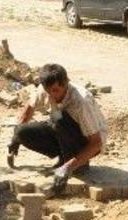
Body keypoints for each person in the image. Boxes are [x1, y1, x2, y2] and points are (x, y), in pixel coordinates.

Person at [8, 64, 107, 197]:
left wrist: (67, 168)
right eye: (48, 91)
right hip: (61, 130)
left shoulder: (81, 102)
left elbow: (96, 143)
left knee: (60, 120)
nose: (51, 95)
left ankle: (77, 164)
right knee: (22, 132)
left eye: (55, 91)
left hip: (88, 142)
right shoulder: (47, 88)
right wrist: (15, 137)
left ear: (66, 83)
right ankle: (64, 158)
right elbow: (29, 108)